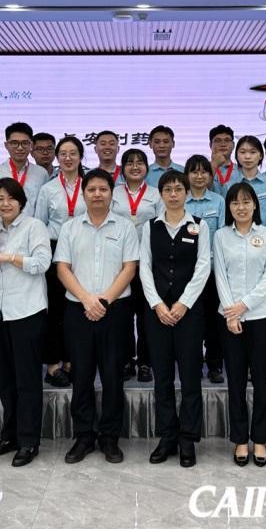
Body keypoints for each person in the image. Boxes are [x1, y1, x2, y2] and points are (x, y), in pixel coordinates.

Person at [56, 169, 140, 465]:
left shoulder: (126, 227)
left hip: (114, 309)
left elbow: (130, 268)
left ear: (111, 193)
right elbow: (62, 268)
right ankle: (83, 436)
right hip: (78, 309)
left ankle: (109, 437)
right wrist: (87, 299)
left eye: (103, 189)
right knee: (81, 375)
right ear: (83, 194)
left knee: (113, 375)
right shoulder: (70, 228)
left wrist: (103, 300)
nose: (97, 194)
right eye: (91, 189)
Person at [138, 171, 211, 468]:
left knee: (191, 376)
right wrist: (157, 304)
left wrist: (183, 303)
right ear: (161, 194)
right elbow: (144, 267)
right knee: (163, 376)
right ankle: (167, 436)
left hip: (189, 312)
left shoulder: (200, 225)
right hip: (157, 313)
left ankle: (188, 439)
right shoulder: (150, 227)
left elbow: (203, 267)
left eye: (178, 189)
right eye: (167, 189)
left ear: (186, 193)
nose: (173, 194)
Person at [0, 178, 53, 468]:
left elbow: (42, 263)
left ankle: (28, 440)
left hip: (27, 311)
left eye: (10, 198)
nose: (5, 203)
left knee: (27, 380)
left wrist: (8, 257)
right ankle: (9, 435)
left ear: (21, 201)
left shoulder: (34, 226)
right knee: (6, 380)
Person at [212, 182, 266, 467]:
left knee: (262, 380)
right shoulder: (220, 236)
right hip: (229, 319)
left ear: (255, 205)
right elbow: (220, 275)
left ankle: (260, 439)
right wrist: (232, 313)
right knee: (236, 380)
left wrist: (244, 305)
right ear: (229, 207)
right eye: (235, 202)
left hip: (261, 317)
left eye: (246, 201)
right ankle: (240, 439)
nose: (241, 207)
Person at [228, 135, 266, 379]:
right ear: (237, 156)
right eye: (242, 152)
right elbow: (227, 219)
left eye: (252, 152)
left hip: (265, 256)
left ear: (260, 156)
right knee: (239, 309)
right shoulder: (230, 184)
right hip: (237, 256)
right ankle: (241, 362)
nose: (247, 156)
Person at [32, 136, 87, 388]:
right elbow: (39, 224)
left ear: (81, 156)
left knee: (77, 309)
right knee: (54, 310)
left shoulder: (91, 185)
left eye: (73, 153)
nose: (67, 158)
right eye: (62, 153)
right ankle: (53, 365)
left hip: (84, 250)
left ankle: (72, 362)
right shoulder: (48, 189)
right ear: (57, 158)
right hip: (55, 251)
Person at [112, 148, 162, 381]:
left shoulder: (156, 193)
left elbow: (161, 226)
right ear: (122, 169)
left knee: (146, 316)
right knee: (121, 315)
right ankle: (125, 360)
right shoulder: (113, 192)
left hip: (147, 263)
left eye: (140, 162)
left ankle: (145, 362)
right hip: (119, 263)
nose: (135, 166)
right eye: (129, 162)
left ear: (146, 168)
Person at [184, 155, 225, 384]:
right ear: (187, 175)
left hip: (212, 270)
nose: (199, 176)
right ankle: (193, 364)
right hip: (187, 272)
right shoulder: (180, 201)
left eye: (204, 172)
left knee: (213, 319)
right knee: (191, 320)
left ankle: (215, 364)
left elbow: (222, 236)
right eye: (194, 171)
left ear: (210, 176)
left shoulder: (219, 201)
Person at [0, 122, 50, 215]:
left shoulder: (41, 173)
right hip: (1, 224)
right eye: (14, 143)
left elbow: (44, 207)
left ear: (31, 145)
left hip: (32, 224)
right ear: (6, 145)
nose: (20, 148)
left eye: (25, 143)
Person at [208, 125, 235, 195]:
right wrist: (214, 165)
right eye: (218, 140)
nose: (223, 144)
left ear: (233, 145)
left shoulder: (241, 170)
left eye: (227, 140)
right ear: (210, 145)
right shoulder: (201, 168)